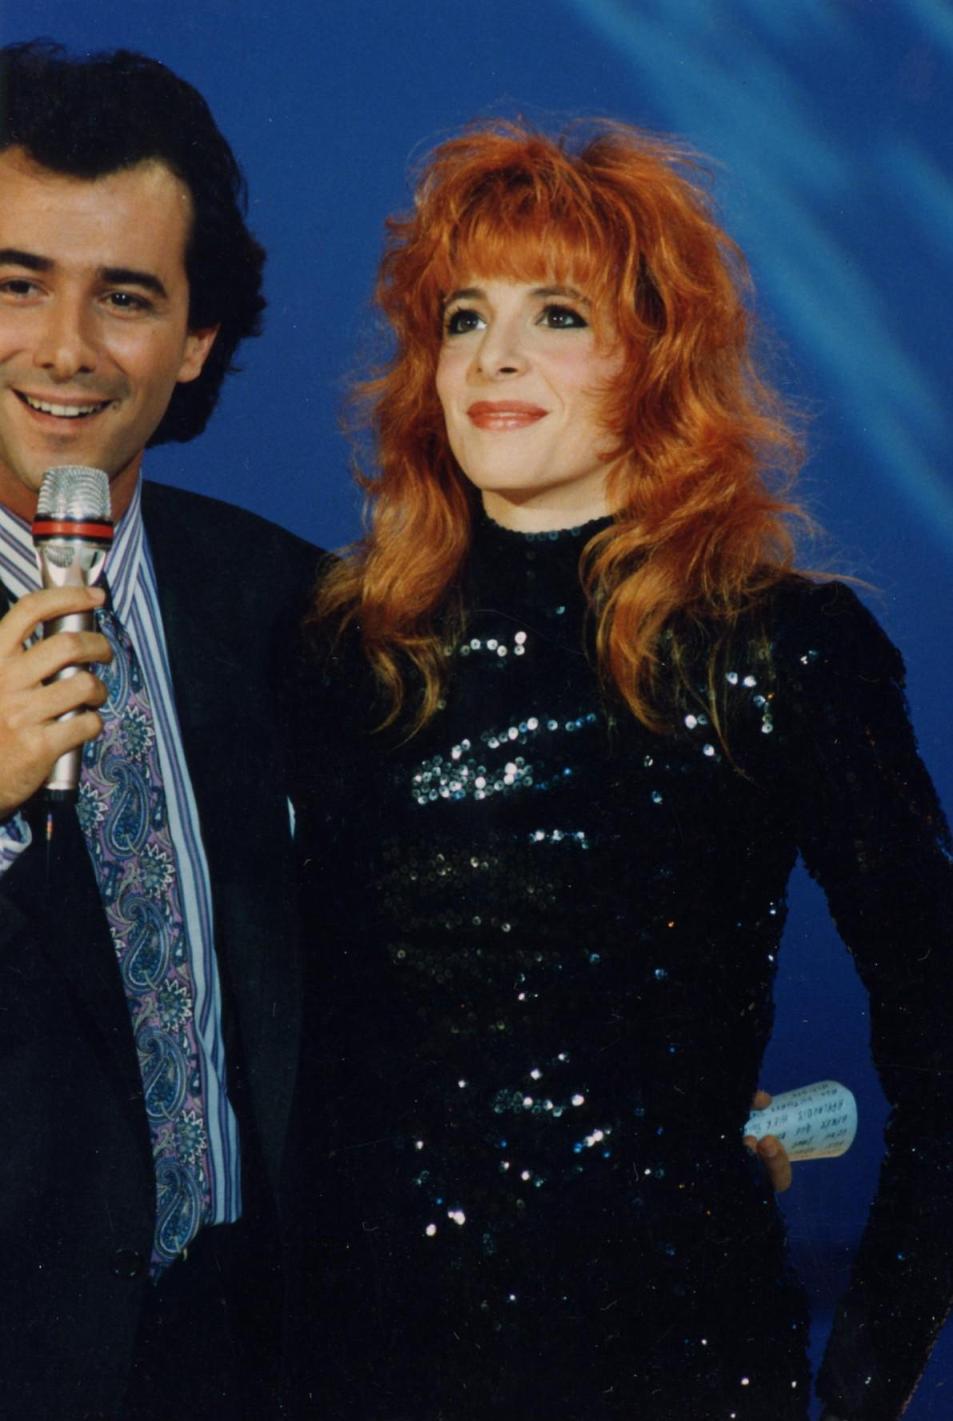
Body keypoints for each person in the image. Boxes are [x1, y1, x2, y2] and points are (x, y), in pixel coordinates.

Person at [289, 121, 953, 1420]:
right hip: (367, 1363)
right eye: (464, 316)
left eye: (557, 314)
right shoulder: (343, 651)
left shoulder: (781, 649)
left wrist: (874, 1359)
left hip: (672, 1359)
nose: (494, 355)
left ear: (658, 354)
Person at [0, 41, 316, 1419]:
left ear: (195, 343)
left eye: (124, 297)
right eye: (15, 284)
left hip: (257, 1348)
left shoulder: (290, 602)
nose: (65, 348)